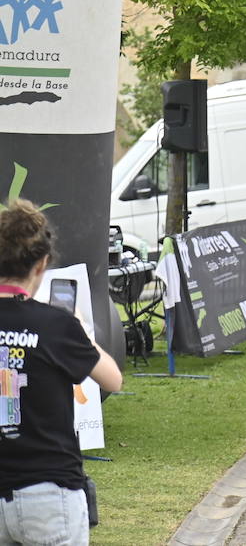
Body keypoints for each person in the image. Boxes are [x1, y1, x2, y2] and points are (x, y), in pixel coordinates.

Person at [0, 201, 122, 546]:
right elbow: (112, 379)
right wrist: (80, 331)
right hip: (49, 492)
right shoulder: (57, 324)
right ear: (41, 264)